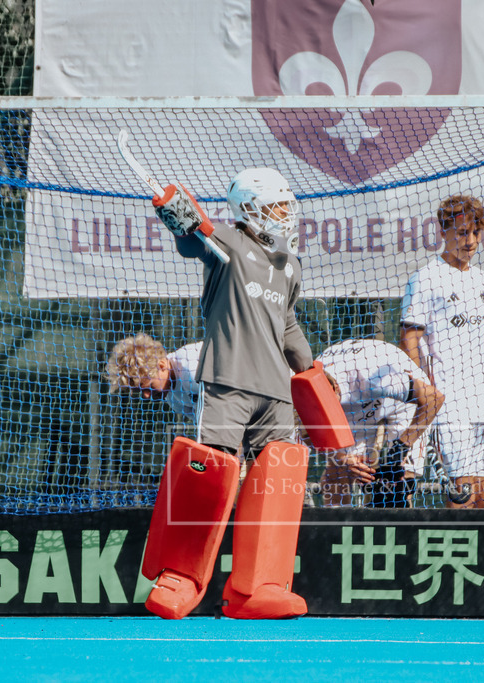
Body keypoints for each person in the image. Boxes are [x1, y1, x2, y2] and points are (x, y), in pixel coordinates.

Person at [142, 167, 317, 621]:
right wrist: (175, 214)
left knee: (277, 483)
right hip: (227, 380)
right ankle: (178, 577)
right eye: (276, 207)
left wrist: (312, 369)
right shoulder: (228, 243)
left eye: (286, 207)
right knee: (210, 474)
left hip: (276, 391)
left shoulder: (289, 264)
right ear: (250, 209)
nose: (284, 215)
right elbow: (191, 240)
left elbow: (288, 323)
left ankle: (256, 589)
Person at [399, 194, 484, 509]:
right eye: (462, 232)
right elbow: (409, 337)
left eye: (475, 232)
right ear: (444, 232)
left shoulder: (482, 280)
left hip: (481, 404)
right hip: (448, 405)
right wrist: (423, 389)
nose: (470, 240)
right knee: (463, 495)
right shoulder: (426, 278)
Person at [313, 338, 444, 508]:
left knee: (399, 482)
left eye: (329, 402)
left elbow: (434, 398)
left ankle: (398, 529)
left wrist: (403, 445)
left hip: (404, 402)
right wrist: (343, 458)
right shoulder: (307, 388)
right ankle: (335, 529)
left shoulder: (373, 379)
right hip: (357, 408)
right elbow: (306, 433)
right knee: (338, 473)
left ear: (336, 387)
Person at [105, 333, 202, 423]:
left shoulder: (191, 366)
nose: (146, 396)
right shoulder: (173, 399)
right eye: (141, 391)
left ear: (161, 365)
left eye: (149, 387)